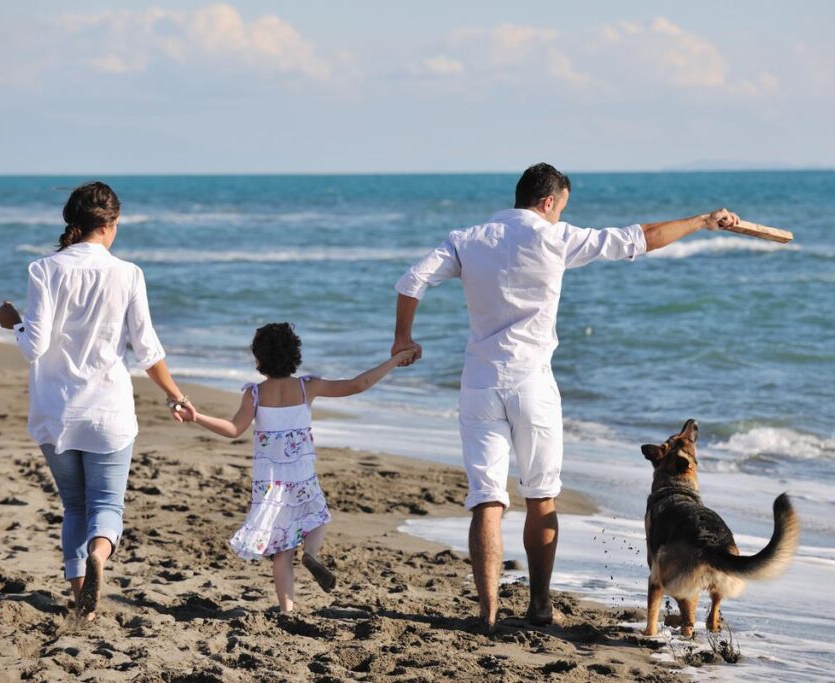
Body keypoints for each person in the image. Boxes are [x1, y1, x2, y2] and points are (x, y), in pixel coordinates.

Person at [391, 162, 739, 632]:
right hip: (533, 384)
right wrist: (701, 221)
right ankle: (538, 605)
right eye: (561, 209)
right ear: (549, 201)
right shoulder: (554, 238)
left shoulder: (467, 238)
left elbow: (412, 280)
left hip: (479, 382)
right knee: (541, 498)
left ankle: (488, 613)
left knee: (487, 501)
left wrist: (403, 340)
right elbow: (641, 238)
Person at [0, 181, 190, 620]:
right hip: (109, 412)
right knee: (106, 506)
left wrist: (13, 323)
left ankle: (80, 601)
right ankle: (99, 557)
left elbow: (33, 346)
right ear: (112, 223)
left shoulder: (43, 269)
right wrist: (176, 396)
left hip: (56, 413)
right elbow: (148, 352)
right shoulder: (128, 274)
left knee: (74, 507)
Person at [177, 322, 415, 612]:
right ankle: (311, 553)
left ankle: (286, 609)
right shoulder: (307, 387)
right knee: (319, 518)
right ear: (294, 354)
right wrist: (394, 360)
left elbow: (232, 429)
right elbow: (357, 384)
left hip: (269, 482)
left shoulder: (254, 394)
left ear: (259, 358)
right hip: (300, 474)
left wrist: (196, 416)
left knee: (282, 548)